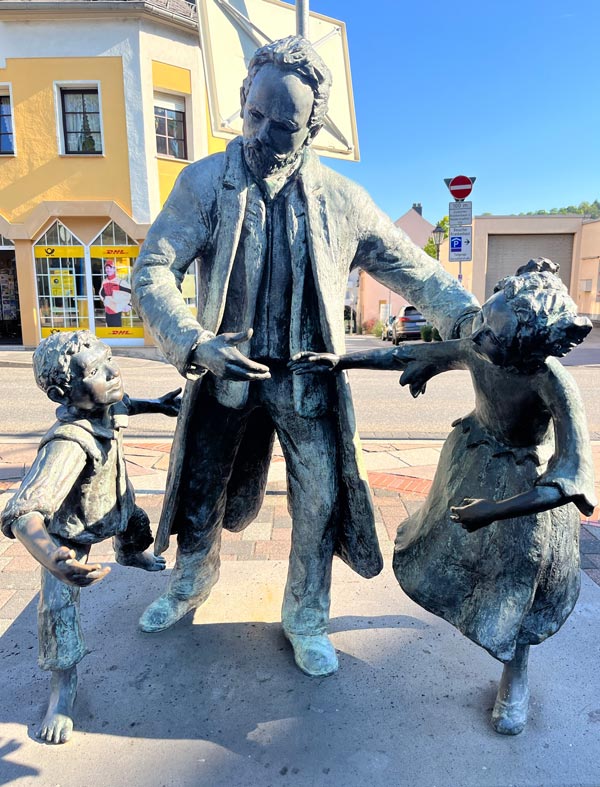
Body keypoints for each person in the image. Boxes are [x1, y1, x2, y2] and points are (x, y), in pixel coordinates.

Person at [131, 35, 480, 678]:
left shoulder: (342, 200)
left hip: (306, 379)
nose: (263, 132)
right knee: (202, 491)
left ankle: (306, 614)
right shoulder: (204, 182)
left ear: (312, 127)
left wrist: (469, 319)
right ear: (243, 100)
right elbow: (153, 271)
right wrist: (194, 343)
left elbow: (412, 268)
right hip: (224, 371)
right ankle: (190, 578)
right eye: (254, 114)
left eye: (284, 125)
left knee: (316, 501)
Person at [290, 258, 596, 732]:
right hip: (471, 460)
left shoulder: (550, 382)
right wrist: (341, 360)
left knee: (517, 584)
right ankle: (467, 608)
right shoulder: (483, 338)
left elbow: (571, 479)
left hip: (525, 491)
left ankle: (515, 674)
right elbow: (411, 355)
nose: (476, 340)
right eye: (482, 323)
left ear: (526, 354)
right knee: (449, 551)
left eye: (490, 339)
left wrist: (497, 510)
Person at [1, 330, 180, 744]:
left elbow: (127, 404)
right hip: (71, 534)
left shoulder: (106, 403)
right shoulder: (67, 444)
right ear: (64, 393)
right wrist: (53, 559)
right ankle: (62, 689)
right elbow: (24, 512)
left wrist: (160, 406)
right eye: (98, 370)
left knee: (137, 528)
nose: (115, 372)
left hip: (116, 507)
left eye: (110, 358)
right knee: (58, 609)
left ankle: (130, 554)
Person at [99, 261, 132, 328]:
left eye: (110, 268)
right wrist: (106, 301)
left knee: (118, 332)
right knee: (110, 332)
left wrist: (129, 304)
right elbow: (101, 293)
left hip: (117, 311)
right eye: (107, 268)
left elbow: (131, 292)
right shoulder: (104, 281)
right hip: (108, 311)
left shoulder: (120, 281)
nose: (108, 270)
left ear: (114, 269)